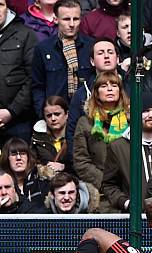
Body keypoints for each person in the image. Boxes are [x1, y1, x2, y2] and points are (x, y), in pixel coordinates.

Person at [101, 92, 152, 212]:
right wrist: (126, 203)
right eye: (145, 111)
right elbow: (108, 185)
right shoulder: (118, 147)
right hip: (136, 218)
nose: (151, 115)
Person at [31, 0, 95, 117]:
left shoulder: (92, 46)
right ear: (56, 19)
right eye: (66, 19)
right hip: (54, 117)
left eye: (75, 19)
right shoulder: (43, 49)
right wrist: (43, 115)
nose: (71, 24)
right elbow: (37, 86)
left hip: (86, 116)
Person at [73, 70, 129, 196]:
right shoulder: (85, 122)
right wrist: (106, 183)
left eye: (114, 85)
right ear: (97, 93)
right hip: (100, 192)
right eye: (104, 86)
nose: (109, 89)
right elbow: (81, 161)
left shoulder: (132, 121)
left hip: (129, 189)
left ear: (120, 91)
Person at [0, 0, 39, 146]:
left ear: (7, 7)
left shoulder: (25, 34)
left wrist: (11, 111)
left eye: (0, 4)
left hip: (18, 121)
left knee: (20, 166)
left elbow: (32, 78)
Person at [0, 137, 49, 210]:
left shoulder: (42, 180)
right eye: (13, 154)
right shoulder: (2, 183)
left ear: (28, 157)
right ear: (7, 158)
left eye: (23, 153)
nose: (19, 158)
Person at [31, 95, 71, 174]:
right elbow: (32, 161)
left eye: (57, 114)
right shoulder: (38, 136)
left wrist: (64, 166)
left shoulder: (75, 134)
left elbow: (82, 161)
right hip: (45, 179)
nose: (53, 119)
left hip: (72, 179)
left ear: (67, 114)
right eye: (49, 115)